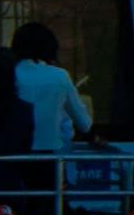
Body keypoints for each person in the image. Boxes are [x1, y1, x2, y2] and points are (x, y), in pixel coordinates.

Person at [10, 21, 93, 153]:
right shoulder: (60, 76)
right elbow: (84, 124)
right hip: (53, 156)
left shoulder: (9, 75)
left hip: (16, 154)